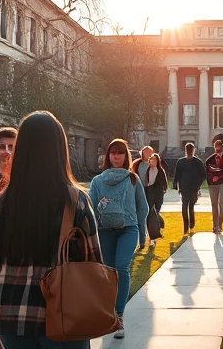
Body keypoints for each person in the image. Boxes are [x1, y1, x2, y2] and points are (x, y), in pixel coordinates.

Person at [0, 111, 102, 349]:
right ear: (59, 149)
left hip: (11, 315)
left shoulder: (3, 202)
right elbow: (94, 261)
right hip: (65, 314)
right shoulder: (76, 201)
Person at [89, 139, 148, 339]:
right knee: (109, 272)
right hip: (105, 231)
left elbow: (143, 207)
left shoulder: (133, 179)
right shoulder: (98, 181)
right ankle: (108, 312)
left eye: (120, 153)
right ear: (108, 156)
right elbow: (90, 209)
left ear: (125, 157)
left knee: (122, 267)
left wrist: (142, 231)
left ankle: (119, 316)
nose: (116, 156)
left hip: (128, 229)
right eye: (113, 153)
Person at [134, 151, 168, 247]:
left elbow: (164, 184)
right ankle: (153, 236)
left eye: (154, 160)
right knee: (150, 214)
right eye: (151, 159)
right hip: (149, 193)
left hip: (157, 194)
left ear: (157, 161)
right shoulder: (148, 170)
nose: (152, 161)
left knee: (155, 212)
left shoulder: (160, 171)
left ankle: (159, 225)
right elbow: (146, 182)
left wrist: (162, 191)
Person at [173, 142, 205, 234]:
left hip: (194, 187)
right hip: (184, 187)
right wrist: (178, 187)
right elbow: (177, 175)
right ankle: (186, 226)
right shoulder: (181, 162)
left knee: (191, 206)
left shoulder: (197, 162)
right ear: (185, 150)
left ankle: (191, 223)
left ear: (193, 150)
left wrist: (198, 185)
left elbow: (203, 175)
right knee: (184, 206)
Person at [205, 139, 223, 234]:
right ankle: (215, 226)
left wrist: (219, 177)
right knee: (214, 205)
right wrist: (211, 179)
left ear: (221, 146)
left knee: (221, 204)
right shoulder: (211, 159)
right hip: (213, 185)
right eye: (215, 146)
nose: (217, 147)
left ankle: (220, 225)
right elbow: (207, 170)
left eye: (218, 145)